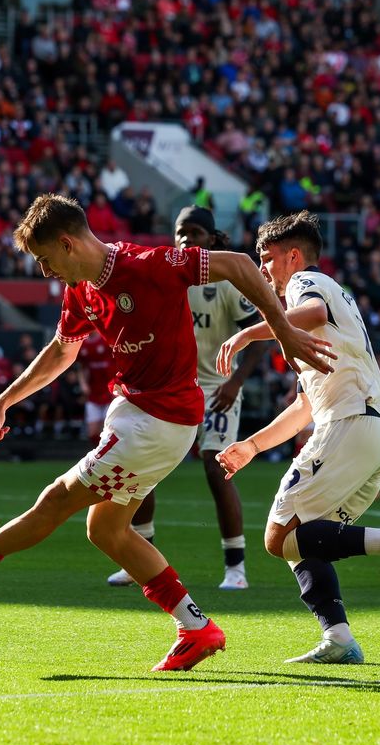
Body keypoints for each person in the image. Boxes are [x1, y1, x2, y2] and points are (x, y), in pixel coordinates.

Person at [0, 194, 335, 672]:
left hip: (160, 421)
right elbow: (61, 351)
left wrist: (280, 328)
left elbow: (240, 265)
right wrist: (3, 400)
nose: (45, 270)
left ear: (69, 244)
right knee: (106, 529)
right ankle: (197, 627)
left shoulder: (148, 264)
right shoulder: (81, 290)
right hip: (138, 413)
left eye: (45, 258)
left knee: (56, 501)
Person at [214, 211, 380, 665]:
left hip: (351, 424)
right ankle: (339, 638)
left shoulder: (305, 284)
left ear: (293, 257)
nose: (262, 270)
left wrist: (248, 335)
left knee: (279, 535)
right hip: (373, 431)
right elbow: (304, 408)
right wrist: (253, 446)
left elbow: (311, 310)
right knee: (303, 538)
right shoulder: (318, 319)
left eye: (267, 258)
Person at [104, 207, 265, 591]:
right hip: (171, 388)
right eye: (180, 232)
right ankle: (136, 560)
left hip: (217, 391)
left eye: (195, 233)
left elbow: (259, 335)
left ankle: (235, 568)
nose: (186, 240)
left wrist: (235, 383)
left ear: (211, 240)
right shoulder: (165, 275)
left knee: (217, 467)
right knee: (140, 469)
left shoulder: (224, 282)